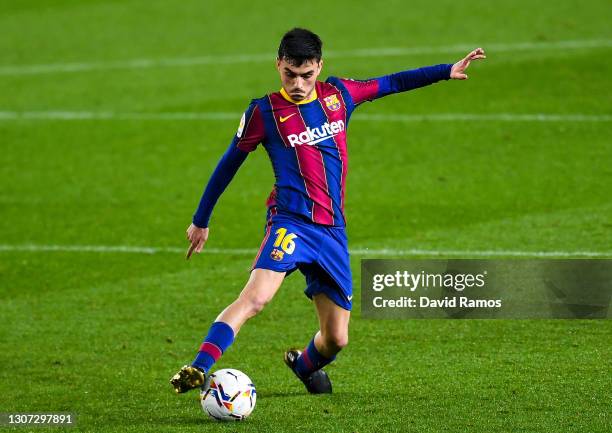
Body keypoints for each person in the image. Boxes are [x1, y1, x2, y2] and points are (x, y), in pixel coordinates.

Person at [171, 28, 485, 394]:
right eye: (290, 74)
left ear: (320, 66)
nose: (299, 84)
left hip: (332, 231)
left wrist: (446, 70)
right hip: (290, 223)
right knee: (255, 299)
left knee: (336, 338)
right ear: (278, 65)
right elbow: (228, 164)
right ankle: (198, 366)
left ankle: (303, 365)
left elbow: (392, 81)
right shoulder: (264, 111)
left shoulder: (340, 95)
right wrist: (201, 220)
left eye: (307, 74)